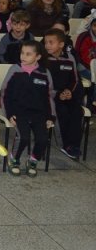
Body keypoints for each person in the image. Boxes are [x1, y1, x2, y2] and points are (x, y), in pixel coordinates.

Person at [1, 41, 54, 178]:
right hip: (19, 112)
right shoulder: (15, 69)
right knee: (23, 137)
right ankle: (14, 159)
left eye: (28, 54)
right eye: (22, 53)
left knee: (42, 139)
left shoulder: (44, 73)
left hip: (38, 113)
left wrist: (50, 117)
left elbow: (49, 97)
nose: (23, 56)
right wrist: (10, 114)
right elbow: (5, 94)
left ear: (38, 57)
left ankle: (33, 161)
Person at [43, 28, 83, 160]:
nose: (47, 45)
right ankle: (66, 145)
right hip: (48, 97)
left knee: (77, 110)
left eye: (51, 42)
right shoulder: (42, 59)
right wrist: (56, 94)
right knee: (61, 110)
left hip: (65, 94)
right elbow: (40, 82)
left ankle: (74, 144)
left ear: (61, 44)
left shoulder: (69, 58)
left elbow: (75, 80)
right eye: (46, 42)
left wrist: (69, 92)